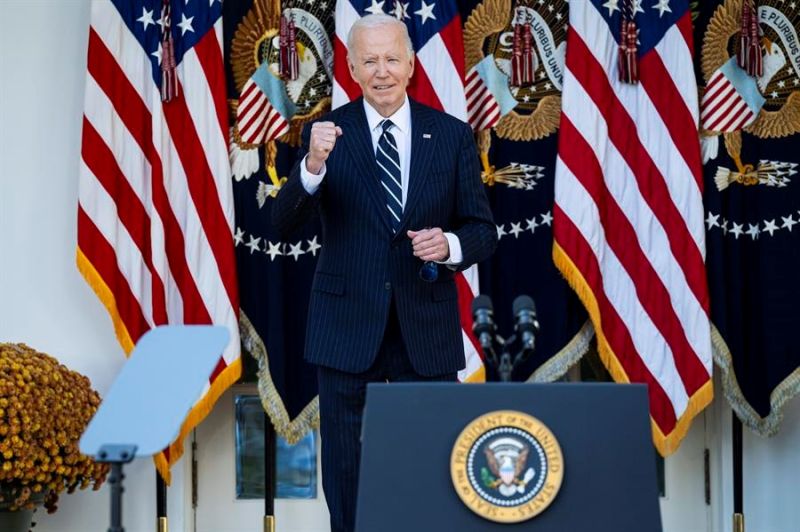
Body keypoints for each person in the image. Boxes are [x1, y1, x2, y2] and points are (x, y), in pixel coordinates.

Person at [272, 13, 497, 532]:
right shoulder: (326, 135)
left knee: (436, 466)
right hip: (347, 329)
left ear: (411, 64)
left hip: (426, 326)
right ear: (350, 68)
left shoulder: (452, 135)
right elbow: (282, 225)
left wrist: (449, 244)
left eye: (392, 58)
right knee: (347, 477)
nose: (382, 71)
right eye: (369, 60)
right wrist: (311, 167)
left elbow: (483, 232)